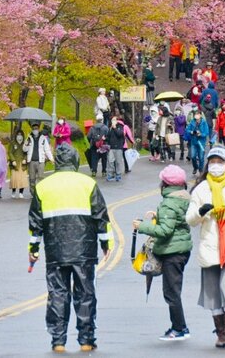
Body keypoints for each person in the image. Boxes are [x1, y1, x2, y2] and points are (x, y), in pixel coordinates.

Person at [28, 143, 113, 352]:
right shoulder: (88, 183)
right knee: (85, 293)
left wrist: (33, 249)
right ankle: (86, 340)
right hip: (84, 250)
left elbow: (35, 222)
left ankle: (58, 341)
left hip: (55, 251)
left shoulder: (43, 186)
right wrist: (105, 243)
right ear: (75, 160)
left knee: (57, 293)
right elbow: (100, 216)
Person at [186, 146, 225, 348]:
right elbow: (190, 219)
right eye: (212, 162)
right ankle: (220, 331)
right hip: (209, 245)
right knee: (213, 291)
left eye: (219, 162)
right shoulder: (201, 189)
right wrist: (201, 212)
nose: (216, 166)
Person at [133, 164, 192, 342]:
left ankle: (179, 328)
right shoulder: (183, 198)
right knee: (173, 290)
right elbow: (175, 223)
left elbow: (166, 230)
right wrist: (158, 217)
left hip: (172, 252)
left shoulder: (169, 203)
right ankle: (180, 326)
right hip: (181, 249)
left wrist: (142, 226)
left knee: (171, 292)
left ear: (165, 184)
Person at [24, 123, 54, 197]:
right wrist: (27, 143)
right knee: (32, 178)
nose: (35, 130)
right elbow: (24, 149)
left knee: (40, 177)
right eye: (33, 129)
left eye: (36, 129)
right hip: (31, 161)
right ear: (32, 129)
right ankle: (33, 193)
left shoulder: (43, 138)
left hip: (41, 161)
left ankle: (40, 193)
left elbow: (47, 150)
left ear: (38, 129)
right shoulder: (29, 138)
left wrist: (51, 159)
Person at [186, 108, 209, 175]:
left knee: (201, 157)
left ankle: (201, 169)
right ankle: (195, 167)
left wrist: (201, 134)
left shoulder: (204, 122)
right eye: (195, 114)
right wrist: (191, 132)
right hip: (194, 142)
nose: (196, 116)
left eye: (198, 114)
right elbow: (187, 130)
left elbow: (206, 132)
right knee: (193, 156)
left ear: (200, 115)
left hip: (201, 142)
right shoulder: (192, 122)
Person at [87, 112, 109, 177]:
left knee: (94, 158)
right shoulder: (105, 127)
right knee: (104, 158)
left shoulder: (92, 127)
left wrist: (91, 142)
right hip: (103, 145)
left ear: (96, 120)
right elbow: (108, 136)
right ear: (102, 119)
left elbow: (88, 136)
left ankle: (94, 171)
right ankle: (104, 171)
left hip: (94, 145)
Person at [9, 128, 28, 198]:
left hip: (22, 164)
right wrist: (13, 160)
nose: (19, 136)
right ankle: (13, 191)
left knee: (22, 179)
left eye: (21, 135)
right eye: (18, 135)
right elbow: (10, 152)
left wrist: (25, 159)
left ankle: (21, 192)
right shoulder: (13, 143)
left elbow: (27, 152)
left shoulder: (25, 143)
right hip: (15, 164)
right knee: (14, 178)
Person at [106, 116, 125, 181]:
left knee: (118, 162)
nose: (112, 121)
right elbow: (108, 136)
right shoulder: (110, 128)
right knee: (110, 161)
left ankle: (118, 175)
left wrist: (115, 128)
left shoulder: (120, 127)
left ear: (117, 121)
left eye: (114, 120)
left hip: (118, 147)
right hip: (111, 147)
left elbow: (120, 134)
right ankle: (110, 175)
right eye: (112, 120)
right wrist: (105, 139)